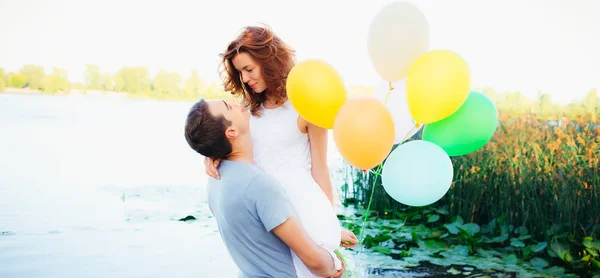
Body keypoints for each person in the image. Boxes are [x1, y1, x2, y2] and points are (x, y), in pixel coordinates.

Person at [205, 25, 358, 277]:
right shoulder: (247, 112)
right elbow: (233, 149)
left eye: (249, 69)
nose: (245, 79)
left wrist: (331, 227)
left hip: (302, 210)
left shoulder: (306, 106)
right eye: (240, 72)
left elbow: (320, 168)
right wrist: (211, 156)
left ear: (269, 61)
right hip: (264, 215)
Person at [184, 98, 345, 278]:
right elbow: (315, 260)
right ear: (231, 131)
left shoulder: (214, 180)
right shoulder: (259, 185)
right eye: (229, 106)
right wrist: (334, 263)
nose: (236, 102)